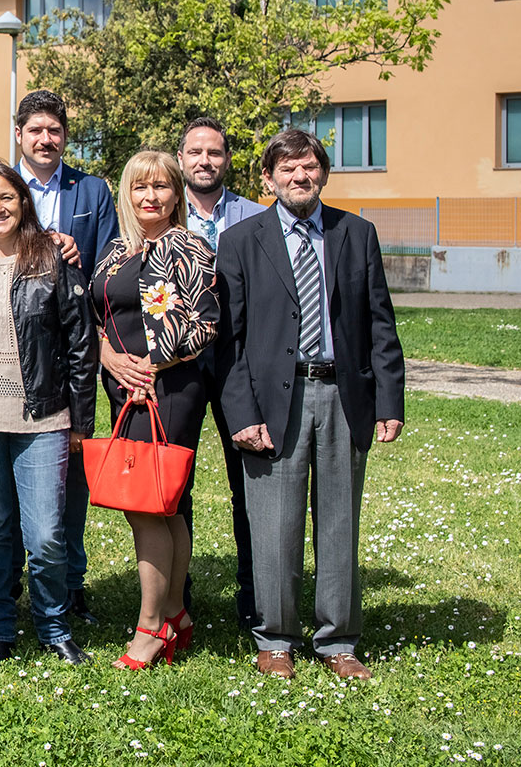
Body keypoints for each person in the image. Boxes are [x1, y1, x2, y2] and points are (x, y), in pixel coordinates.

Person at [217, 129, 405, 681]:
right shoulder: (241, 241)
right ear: (268, 178)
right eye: (288, 169)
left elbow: (379, 324)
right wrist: (242, 413)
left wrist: (388, 400)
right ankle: (275, 638)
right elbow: (229, 340)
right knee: (273, 523)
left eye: (310, 167)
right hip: (275, 399)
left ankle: (339, 640)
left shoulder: (357, 233)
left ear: (323, 173)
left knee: (340, 520)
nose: (300, 177)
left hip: (344, 395)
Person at [0, 160, 96, 668]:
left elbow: (81, 342)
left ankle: (54, 625)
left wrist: (81, 421)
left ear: (23, 202)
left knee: (46, 533)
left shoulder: (53, 257)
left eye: (6, 198)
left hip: (43, 414)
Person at [90, 149, 219, 669]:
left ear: (177, 193)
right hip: (123, 382)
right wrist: (110, 358)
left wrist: (150, 365)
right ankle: (176, 614)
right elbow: (93, 315)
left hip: (169, 386)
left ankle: (150, 628)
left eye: (162, 187)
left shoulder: (191, 247)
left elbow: (205, 323)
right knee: (160, 503)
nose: (151, 197)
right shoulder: (117, 249)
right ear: (127, 193)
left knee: (150, 503)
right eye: (141, 187)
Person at [14, 89, 117, 625]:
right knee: (12, 472)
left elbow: (112, 267)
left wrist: (82, 261)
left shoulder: (92, 191)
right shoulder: (0, 188)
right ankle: (9, 581)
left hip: (74, 348)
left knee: (70, 466)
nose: (46, 140)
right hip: (10, 349)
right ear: (20, 136)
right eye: (36, 131)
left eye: (54, 131)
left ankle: (70, 584)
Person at [177, 116, 266, 630]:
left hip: (241, 364)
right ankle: (177, 598)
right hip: (180, 366)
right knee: (176, 484)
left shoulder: (257, 217)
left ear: (227, 159)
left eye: (214, 152)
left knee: (248, 482)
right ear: (182, 158)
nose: (205, 161)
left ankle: (256, 598)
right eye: (195, 152)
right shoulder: (164, 214)